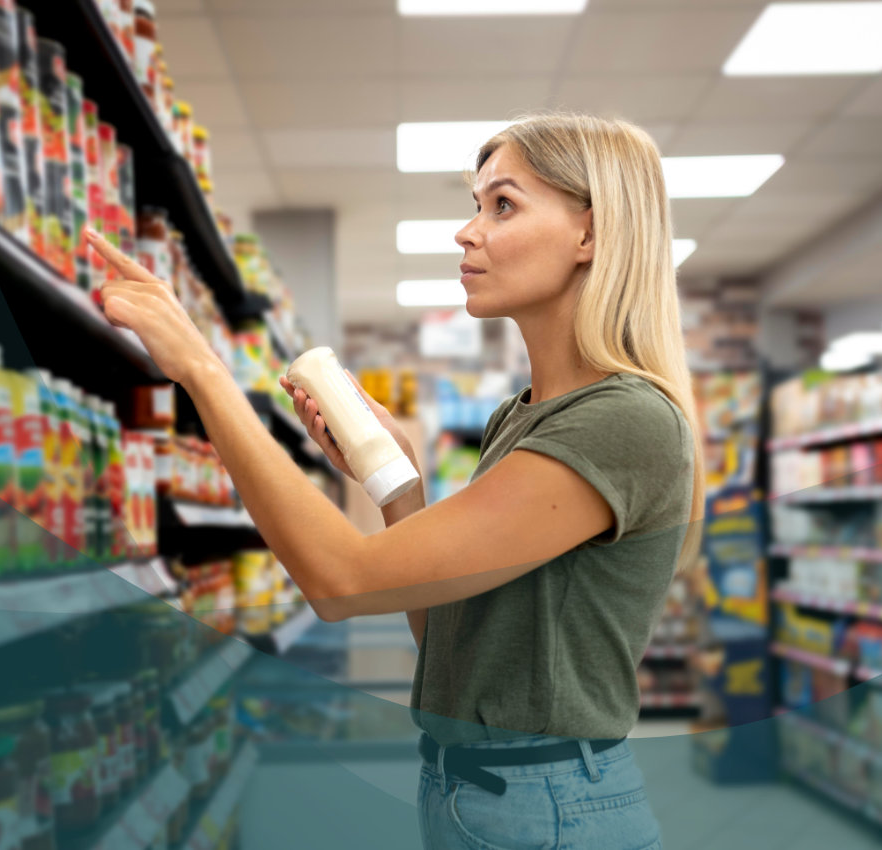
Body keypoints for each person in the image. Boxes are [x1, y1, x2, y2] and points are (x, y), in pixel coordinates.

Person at [84, 112, 703, 850]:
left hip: (548, 806)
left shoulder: (623, 419)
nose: (467, 232)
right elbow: (445, 637)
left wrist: (201, 372)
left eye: (501, 205)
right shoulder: (523, 415)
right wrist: (395, 483)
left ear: (590, 235)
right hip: (474, 787)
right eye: (475, 205)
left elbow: (342, 584)